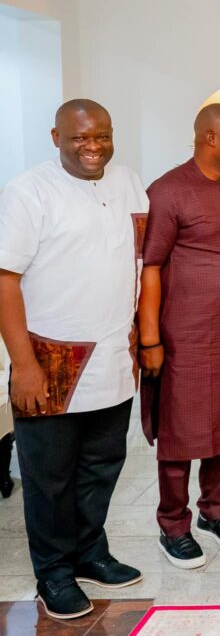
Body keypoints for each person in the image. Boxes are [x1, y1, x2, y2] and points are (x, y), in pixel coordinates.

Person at [0, 99, 146, 619]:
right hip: (51, 359)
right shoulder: (28, 192)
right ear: (55, 136)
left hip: (113, 354)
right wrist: (23, 365)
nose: (93, 147)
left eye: (102, 135)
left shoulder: (128, 182)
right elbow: (5, 281)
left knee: (101, 467)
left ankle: (90, 552)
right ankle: (54, 573)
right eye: (80, 137)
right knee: (50, 478)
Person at [139, 103, 220, 569]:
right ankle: (173, 524)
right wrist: (150, 339)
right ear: (210, 138)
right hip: (183, 337)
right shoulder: (168, 191)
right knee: (180, 433)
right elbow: (150, 267)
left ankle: (215, 511)